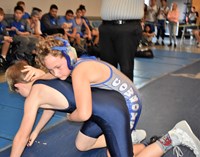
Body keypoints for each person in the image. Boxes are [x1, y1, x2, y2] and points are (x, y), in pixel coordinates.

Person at [6, 61, 200, 157]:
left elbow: (20, 137)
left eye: (17, 92)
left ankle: (172, 137)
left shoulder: (33, 95)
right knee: (82, 145)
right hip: (98, 111)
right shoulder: (46, 80)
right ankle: (128, 140)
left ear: (18, 86)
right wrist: (36, 130)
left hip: (111, 113)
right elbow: (48, 108)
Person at [29, 36, 145, 142]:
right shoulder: (72, 64)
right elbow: (53, 76)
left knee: (112, 151)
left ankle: (132, 137)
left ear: (70, 56)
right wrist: (40, 76)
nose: (56, 74)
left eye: (58, 67)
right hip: (111, 105)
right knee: (82, 144)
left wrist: (70, 116)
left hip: (130, 105)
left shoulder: (80, 71)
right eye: (51, 70)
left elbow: (83, 114)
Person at [99, 0, 144, 81]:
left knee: (126, 68)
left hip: (127, 27)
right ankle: (109, 93)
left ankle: (126, 93)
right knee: (106, 68)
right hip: (105, 26)